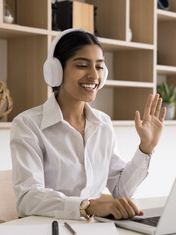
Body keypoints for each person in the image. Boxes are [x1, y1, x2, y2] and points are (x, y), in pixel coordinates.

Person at [10, 28, 166, 221]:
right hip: (49, 230)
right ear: (56, 71)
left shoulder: (103, 123)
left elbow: (120, 190)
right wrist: (88, 206)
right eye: (82, 65)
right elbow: (28, 199)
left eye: (99, 67)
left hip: (91, 229)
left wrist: (146, 147)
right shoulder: (28, 125)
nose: (94, 75)